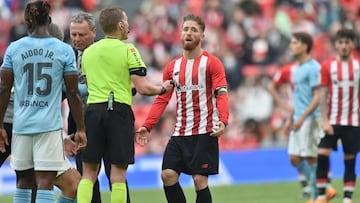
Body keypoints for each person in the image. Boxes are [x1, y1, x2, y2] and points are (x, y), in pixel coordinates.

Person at [76, 6, 173, 203]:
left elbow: (92, 81)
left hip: (92, 112)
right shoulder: (128, 49)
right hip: (118, 112)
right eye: (127, 21)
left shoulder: (88, 52)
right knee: (118, 175)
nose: (128, 25)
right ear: (121, 25)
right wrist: (163, 88)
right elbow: (143, 88)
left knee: (88, 173)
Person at [136, 14, 229, 203]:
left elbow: (221, 94)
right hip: (180, 132)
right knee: (167, 175)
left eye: (194, 30)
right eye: (186, 29)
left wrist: (223, 120)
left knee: (199, 180)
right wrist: (148, 125)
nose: (188, 32)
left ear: (202, 36)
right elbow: (162, 99)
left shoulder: (212, 63)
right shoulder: (172, 67)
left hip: (205, 131)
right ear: (180, 34)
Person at [0, 1, 86, 203]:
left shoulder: (14, 49)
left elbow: (3, 88)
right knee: (45, 182)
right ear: (49, 20)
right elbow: (73, 93)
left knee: (23, 182)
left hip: (21, 126)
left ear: (27, 22)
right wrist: (80, 128)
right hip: (48, 126)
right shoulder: (63, 50)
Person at [68, 11, 120, 203]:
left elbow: (106, 86)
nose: (76, 39)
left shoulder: (105, 52)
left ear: (93, 32)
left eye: (81, 35)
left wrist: (72, 89)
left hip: (105, 119)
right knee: (87, 178)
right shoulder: (68, 55)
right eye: (73, 34)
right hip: (80, 122)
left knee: (115, 175)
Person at [267, 32, 323, 202]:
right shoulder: (296, 69)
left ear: (304, 46)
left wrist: (303, 117)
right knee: (294, 158)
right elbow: (298, 98)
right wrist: (291, 117)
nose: (291, 46)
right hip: (298, 118)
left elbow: (317, 96)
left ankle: (316, 195)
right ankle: (321, 188)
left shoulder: (313, 67)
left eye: (294, 43)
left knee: (310, 155)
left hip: (311, 118)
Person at [314, 28, 360, 203]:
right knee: (322, 153)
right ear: (335, 44)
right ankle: (321, 194)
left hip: (353, 121)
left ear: (352, 44)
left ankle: (347, 198)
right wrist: (324, 120)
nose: (343, 46)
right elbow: (323, 94)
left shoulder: (358, 66)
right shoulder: (328, 65)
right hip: (332, 120)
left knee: (350, 159)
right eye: (340, 42)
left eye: (347, 42)